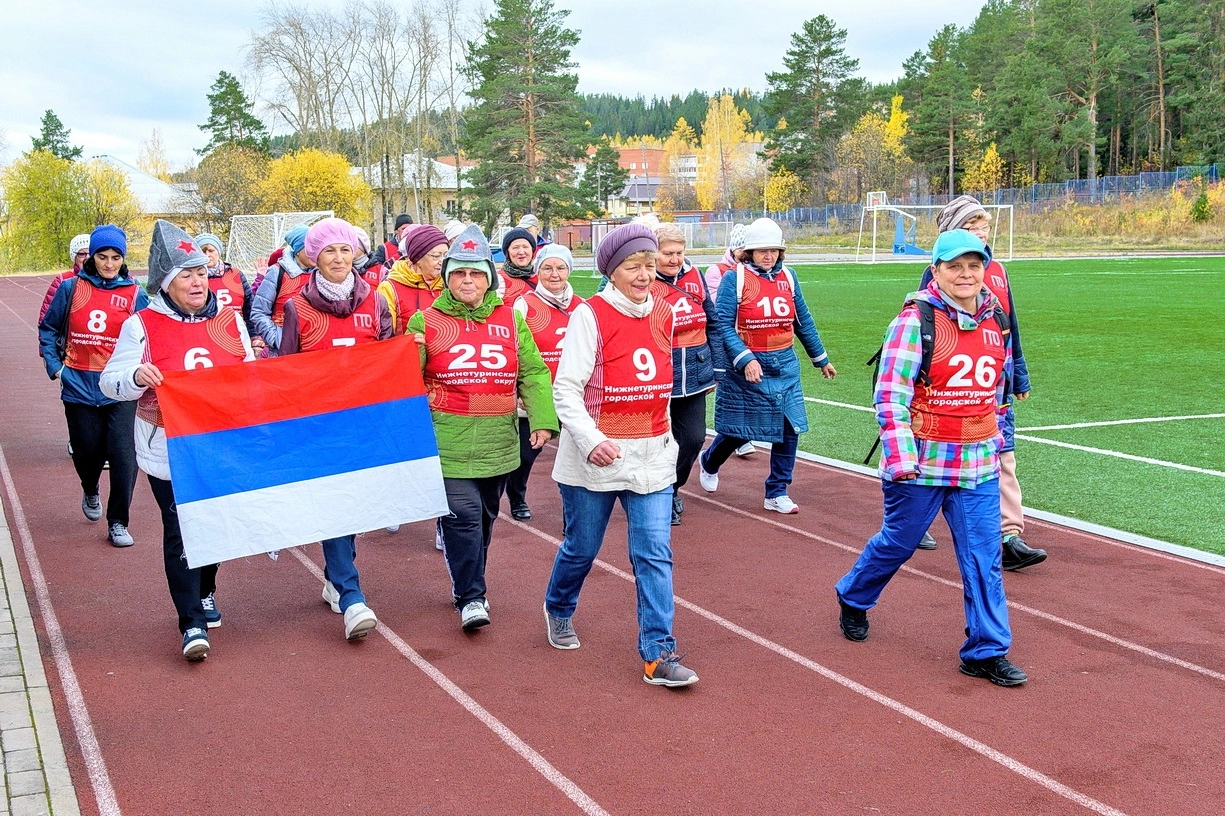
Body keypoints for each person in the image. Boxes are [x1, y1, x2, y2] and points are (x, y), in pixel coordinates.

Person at [834, 229, 1027, 687]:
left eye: (974, 266)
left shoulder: (995, 318)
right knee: (899, 543)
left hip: (976, 465)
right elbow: (890, 394)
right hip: (920, 465)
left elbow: (996, 396)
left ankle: (985, 649)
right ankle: (854, 595)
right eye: (955, 266)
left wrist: (997, 445)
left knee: (983, 557)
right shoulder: (913, 321)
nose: (966, 275)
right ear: (936, 271)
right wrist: (901, 457)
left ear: (985, 270)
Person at [541, 222, 698, 688]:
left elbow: (662, 385)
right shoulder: (590, 315)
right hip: (596, 457)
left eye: (650, 265)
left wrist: (669, 436)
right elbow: (565, 390)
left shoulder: (666, 312)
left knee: (653, 551)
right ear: (612, 271)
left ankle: (658, 653)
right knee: (582, 547)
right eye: (633, 266)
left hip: (651, 454)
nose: (645, 274)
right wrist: (593, 440)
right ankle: (559, 606)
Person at [101, 221, 256, 661]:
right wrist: (134, 376)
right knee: (181, 529)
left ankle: (205, 589)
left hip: (219, 442)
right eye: (185, 275)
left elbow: (247, 377)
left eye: (201, 273)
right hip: (166, 446)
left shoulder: (230, 321)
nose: (196, 281)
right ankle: (190, 623)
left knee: (217, 525)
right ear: (168, 283)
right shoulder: (141, 325)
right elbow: (110, 383)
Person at [408, 225, 557, 631]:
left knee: (487, 517)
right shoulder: (425, 320)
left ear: (488, 277)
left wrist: (543, 419)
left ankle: (467, 577)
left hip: (499, 442)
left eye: (476, 273)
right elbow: (404, 380)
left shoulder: (510, 319)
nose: (468, 280)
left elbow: (533, 371)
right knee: (465, 517)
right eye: (459, 273)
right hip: (447, 442)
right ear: (447, 277)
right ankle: (472, 596)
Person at [912, 196, 1045, 571]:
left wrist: (1017, 371)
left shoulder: (996, 270)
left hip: (993, 384)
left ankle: (1009, 536)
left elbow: (1009, 323)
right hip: (951, 388)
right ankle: (914, 519)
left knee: (1003, 456)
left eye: (983, 226)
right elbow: (925, 329)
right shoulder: (938, 274)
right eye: (972, 227)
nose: (981, 233)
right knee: (936, 460)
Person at [280, 218, 393, 640]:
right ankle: (351, 595)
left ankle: (333, 577)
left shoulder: (375, 302)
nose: (339, 258)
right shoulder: (297, 306)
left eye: (345, 250)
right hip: (319, 426)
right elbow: (286, 369)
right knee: (335, 504)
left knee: (355, 504)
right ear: (314, 256)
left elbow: (387, 361)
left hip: (364, 424)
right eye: (329, 251)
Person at [697, 218, 836, 514]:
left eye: (773, 250)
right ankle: (709, 460)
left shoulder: (789, 276)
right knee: (740, 430)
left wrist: (820, 358)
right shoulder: (734, 279)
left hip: (784, 364)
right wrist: (744, 358)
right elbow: (722, 324)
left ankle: (776, 490)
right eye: (762, 251)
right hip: (748, 363)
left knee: (790, 426)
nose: (768, 256)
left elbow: (803, 321)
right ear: (749, 252)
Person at [38, 225, 148, 548]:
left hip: (120, 388)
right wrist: (57, 369)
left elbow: (149, 336)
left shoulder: (134, 293)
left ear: (123, 259)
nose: (109, 263)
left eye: (116, 257)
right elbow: (47, 329)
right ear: (93, 257)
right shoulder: (71, 288)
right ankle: (90, 487)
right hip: (79, 386)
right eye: (103, 256)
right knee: (87, 452)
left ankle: (118, 522)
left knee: (124, 455)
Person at [650, 222, 722, 526]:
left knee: (692, 439)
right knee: (656, 442)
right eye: (667, 253)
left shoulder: (696, 276)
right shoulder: (642, 279)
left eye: (679, 252)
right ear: (653, 253)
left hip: (695, 374)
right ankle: (657, 495)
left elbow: (713, 323)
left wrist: (716, 368)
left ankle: (672, 487)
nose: (674, 259)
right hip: (655, 376)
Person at [506, 244, 584, 521]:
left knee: (576, 453)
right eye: (547, 268)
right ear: (538, 271)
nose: (554, 274)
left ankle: (571, 513)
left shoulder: (581, 306)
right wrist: (517, 387)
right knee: (527, 453)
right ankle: (517, 495)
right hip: (537, 392)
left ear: (569, 271)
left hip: (574, 392)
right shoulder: (524, 304)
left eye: (561, 268)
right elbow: (513, 349)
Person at [249, 224, 312, 355]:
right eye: (309, 247)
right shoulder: (278, 272)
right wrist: (278, 339)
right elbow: (258, 312)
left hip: (312, 348)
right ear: (298, 250)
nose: (314, 252)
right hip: (283, 354)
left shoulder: (321, 273)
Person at [379, 225, 449, 336]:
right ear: (417, 259)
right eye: (436, 256)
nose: (442, 261)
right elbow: (385, 336)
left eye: (445, 255)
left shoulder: (449, 285)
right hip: (407, 352)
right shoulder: (390, 288)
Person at [195, 233, 260, 342]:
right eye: (203, 251)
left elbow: (249, 308)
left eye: (211, 251)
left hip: (237, 335)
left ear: (218, 252)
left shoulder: (235, 274)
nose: (207, 255)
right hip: (207, 336)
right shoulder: (194, 279)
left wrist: (255, 337)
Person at [38, 233, 91, 323]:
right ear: (74, 257)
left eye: (91, 253)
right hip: (68, 335)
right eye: (82, 254)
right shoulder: (63, 279)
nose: (88, 257)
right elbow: (47, 314)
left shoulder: (104, 280)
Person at [498, 227, 538, 304]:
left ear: (532, 250)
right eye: (515, 248)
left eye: (525, 247)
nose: (521, 252)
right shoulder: (499, 281)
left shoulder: (542, 276)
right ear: (508, 252)